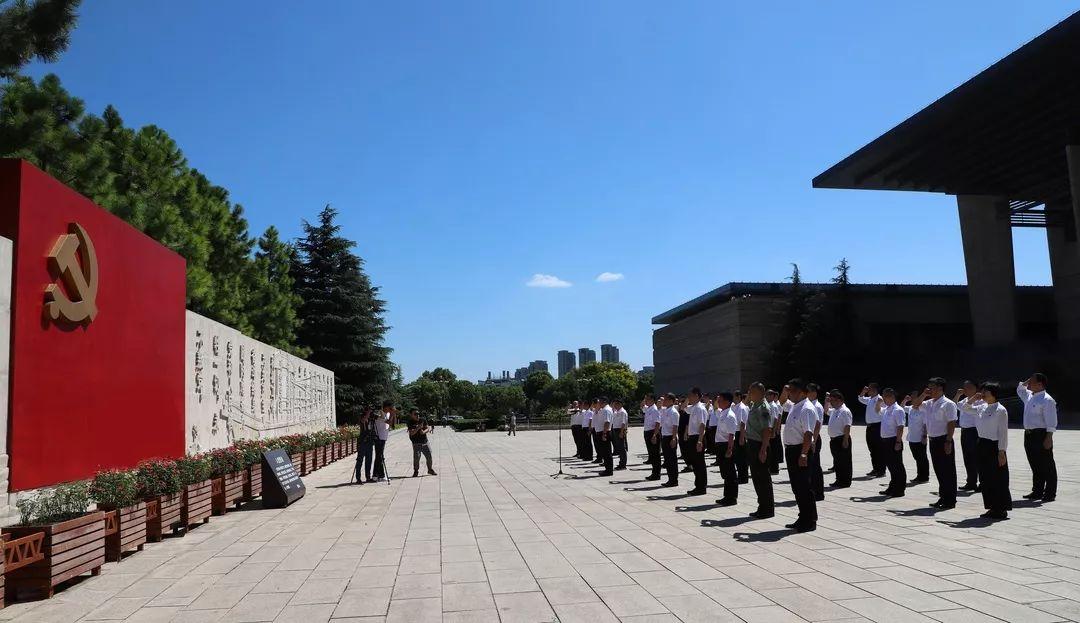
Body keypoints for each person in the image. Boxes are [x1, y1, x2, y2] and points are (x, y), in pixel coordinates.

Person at [960, 382, 1012, 519]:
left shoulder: (1000, 410)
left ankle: (1001, 508)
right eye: (982, 391)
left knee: (998, 478)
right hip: (981, 444)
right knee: (985, 478)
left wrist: (1002, 451)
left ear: (993, 394)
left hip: (994, 446)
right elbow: (964, 408)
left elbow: (1003, 433)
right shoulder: (981, 407)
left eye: (986, 392)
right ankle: (991, 507)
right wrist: (973, 398)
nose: (982, 394)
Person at [780, 380, 817, 532]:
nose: (790, 394)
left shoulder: (806, 408)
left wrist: (803, 453)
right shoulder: (795, 406)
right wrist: (785, 389)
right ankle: (803, 517)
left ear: (802, 392)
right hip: (791, 450)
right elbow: (781, 401)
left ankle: (810, 521)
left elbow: (808, 433)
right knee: (797, 487)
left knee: (803, 486)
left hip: (800, 450)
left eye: (793, 391)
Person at [1018, 373, 1057, 502]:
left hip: (1041, 434)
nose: (1028, 384)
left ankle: (1050, 493)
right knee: (1034, 464)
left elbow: (1051, 420)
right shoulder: (1029, 396)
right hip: (1029, 434)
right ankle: (1037, 491)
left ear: (1040, 384)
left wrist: (1049, 437)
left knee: (1047, 464)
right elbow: (1020, 389)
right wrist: (1028, 380)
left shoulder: (1047, 399)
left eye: (1032, 382)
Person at [923, 377, 958, 509]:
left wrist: (948, 440)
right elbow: (915, 404)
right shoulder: (929, 403)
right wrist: (923, 394)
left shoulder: (948, 404)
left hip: (944, 440)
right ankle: (943, 497)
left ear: (940, 388)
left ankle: (950, 500)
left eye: (932, 387)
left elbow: (951, 422)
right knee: (939, 470)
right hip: (933, 440)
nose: (929, 390)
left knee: (948, 470)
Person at [743, 382, 774, 518]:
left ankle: (767, 509)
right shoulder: (754, 405)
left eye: (751, 391)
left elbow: (767, 430)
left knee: (763, 479)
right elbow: (745, 403)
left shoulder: (763, 407)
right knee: (756, 477)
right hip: (753, 444)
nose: (749, 393)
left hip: (760, 445)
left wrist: (763, 449)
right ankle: (762, 506)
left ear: (759, 392)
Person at [875, 389, 906, 497]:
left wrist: (898, 441)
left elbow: (900, 427)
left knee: (897, 466)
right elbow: (877, 410)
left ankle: (899, 489)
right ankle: (892, 487)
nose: (884, 399)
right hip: (886, 441)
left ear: (892, 397)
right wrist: (878, 403)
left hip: (893, 440)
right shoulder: (887, 409)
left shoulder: (898, 410)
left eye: (885, 397)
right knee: (891, 466)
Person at [713, 393, 739, 506]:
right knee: (725, 472)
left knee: (730, 473)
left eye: (721, 400)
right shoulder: (722, 412)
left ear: (727, 402)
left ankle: (732, 497)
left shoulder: (730, 415)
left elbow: (731, 435)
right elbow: (715, 407)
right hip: (720, 445)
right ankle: (727, 496)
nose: (718, 402)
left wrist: (729, 449)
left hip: (726, 445)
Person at [683, 387, 709, 496]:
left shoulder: (700, 408)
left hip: (698, 437)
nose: (689, 398)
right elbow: (683, 407)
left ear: (697, 396)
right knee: (695, 462)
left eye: (691, 396)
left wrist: (700, 441)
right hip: (692, 437)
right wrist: (687, 400)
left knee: (699, 464)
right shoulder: (693, 407)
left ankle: (701, 487)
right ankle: (698, 485)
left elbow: (702, 425)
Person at [956, 380, 980, 492]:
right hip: (965, 432)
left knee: (977, 458)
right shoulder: (964, 400)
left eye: (969, 387)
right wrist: (958, 394)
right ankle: (971, 482)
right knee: (968, 458)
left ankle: (982, 483)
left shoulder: (981, 401)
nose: (966, 390)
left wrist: (973, 398)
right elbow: (954, 405)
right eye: (965, 387)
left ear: (976, 388)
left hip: (975, 431)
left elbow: (967, 408)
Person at [825, 390, 852, 488]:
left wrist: (845, 440)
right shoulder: (835, 410)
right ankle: (839, 479)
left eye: (832, 400)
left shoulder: (844, 411)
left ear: (839, 400)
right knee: (837, 461)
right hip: (834, 440)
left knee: (844, 461)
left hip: (842, 439)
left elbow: (847, 426)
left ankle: (845, 481)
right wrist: (826, 401)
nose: (831, 402)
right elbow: (826, 411)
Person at [858, 383, 885, 477]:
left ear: (875, 390)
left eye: (869, 389)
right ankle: (875, 468)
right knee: (872, 448)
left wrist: (879, 404)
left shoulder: (880, 399)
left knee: (879, 449)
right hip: (870, 426)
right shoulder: (869, 399)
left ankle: (881, 470)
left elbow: (884, 412)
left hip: (878, 426)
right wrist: (863, 391)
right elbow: (860, 399)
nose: (868, 391)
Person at [903, 392, 930, 484]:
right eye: (912, 398)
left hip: (920, 437)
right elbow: (901, 407)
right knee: (917, 458)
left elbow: (926, 424)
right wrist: (905, 400)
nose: (913, 400)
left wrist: (924, 436)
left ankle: (924, 476)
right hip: (911, 437)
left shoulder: (923, 410)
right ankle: (920, 475)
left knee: (922, 458)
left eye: (914, 398)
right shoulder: (910, 408)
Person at [806, 383, 825, 501]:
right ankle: (813, 489)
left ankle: (818, 493)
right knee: (811, 466)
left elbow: (817, 425)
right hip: (811, 438)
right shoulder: (809, 404)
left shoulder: (817, 406)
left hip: (814, 438)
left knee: (815, 466)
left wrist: (813, 441)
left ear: (814, 393)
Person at [659, 393, 680, 487]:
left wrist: (674, 438)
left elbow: (675, 426)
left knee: (672, 460)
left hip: (670, 437)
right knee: (667, 459)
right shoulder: (665, 410)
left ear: (671, 401)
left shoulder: (673, 412)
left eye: (666, 399)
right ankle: (670, 479)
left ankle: (674, 480)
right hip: (665, 436)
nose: (664, 401)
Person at [408, 410, 437, 477]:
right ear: (411, 415)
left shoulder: (422, 419)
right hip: (416, 443)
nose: (417, 415)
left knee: (429, 456)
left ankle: (430, 469)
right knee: (416, 458)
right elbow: (411, 433)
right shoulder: (410, 422)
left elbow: (428, 428)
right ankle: (416, 471)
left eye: (418, 413)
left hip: (425, 442)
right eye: (415, 414)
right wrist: (418, 427)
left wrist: (424, 432)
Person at [372, 401, 396, 481]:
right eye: (390, 408)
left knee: (380, 456)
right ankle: (375, 475)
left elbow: (392, 424)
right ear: (386, 407)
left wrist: (393, 415)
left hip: (383, 437)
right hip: (378, 437)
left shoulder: (389, 414)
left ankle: (381, 475)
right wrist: (392, 414)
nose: (391, 409)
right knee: (379, 456)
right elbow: (387, 421)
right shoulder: (380, 413)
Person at [592, 397, 614, 476]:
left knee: (607, 453)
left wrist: (604, 434)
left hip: (604, 432)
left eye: (599, 402)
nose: (598, 403)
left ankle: (609, 470)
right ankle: (607, 469)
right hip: (602, 432)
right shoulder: (603, 409)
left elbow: (607, 422)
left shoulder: (606, 410)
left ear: (603, 402)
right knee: (605, 452)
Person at [355, 407, 378, 484]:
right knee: (360, 460)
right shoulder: (362, 418)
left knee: (369, 460)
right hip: (363, 442)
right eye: (369, 411)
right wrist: (368, 412)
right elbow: (363, 420)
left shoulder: (371, 420)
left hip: (370, 442)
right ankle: (358, 478)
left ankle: (368, 477)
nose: (370, 413)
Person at [642, 395, 662, 480]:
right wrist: (644, 398)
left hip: (652, 432)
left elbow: (658, 423)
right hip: (647, 432)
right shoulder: (648, 408)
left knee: (655, 454)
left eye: (648, 399)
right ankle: (654, 473)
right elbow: (642, 406)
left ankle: (656, 474)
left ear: (653, 400)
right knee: (652, 454)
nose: (646, 401)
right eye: (645, 399)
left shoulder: (654, 410)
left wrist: (654, 435)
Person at [732, 391, 750, 484]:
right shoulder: (735, 407)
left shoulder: (742, 408)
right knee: (738, 457)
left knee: (742, 457)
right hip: (736, 432)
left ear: (739, 397)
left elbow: (743, 424)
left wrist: (742, 437)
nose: (733, 399)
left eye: (735, 397)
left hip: (740, 433)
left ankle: (743, 478)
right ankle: (741, 476)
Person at [766, 389, 783, 475]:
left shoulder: (774, 405)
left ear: (772, 396)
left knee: (773, 450)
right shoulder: (768, 405)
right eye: (766, 394)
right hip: (768, 430)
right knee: (770, 450)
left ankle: (774, 469)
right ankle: (770, 467)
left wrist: (774, 431)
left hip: (772, 430)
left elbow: (776, 419)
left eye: (769, 395)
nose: (767, 396)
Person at [611, 399, 629, 470]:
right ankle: (621, 463)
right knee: (619, 448)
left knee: (622, 448)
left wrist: (622, 432)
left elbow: (623, 423)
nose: (614, 406)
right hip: (616, 430)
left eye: (616, 404)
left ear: (620, 404)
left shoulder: (623, 412)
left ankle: (623, 464)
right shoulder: (616, 411)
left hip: (620, 430)